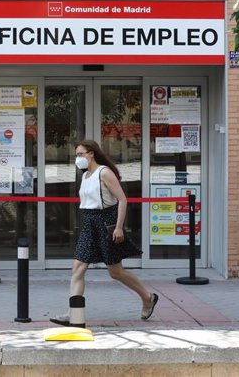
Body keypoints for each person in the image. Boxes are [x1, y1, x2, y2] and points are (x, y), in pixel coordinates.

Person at [50, 139, 159, 326]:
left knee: (115, 272)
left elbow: (122, 200)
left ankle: (148, 297)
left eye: (80, 154)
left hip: (105, 222)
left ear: (91, 153)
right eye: (76, 155)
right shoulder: (85, 176)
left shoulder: (104, 173)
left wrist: (118, 227)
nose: (78, 158)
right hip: (88, 223)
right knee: (77, 268)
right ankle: (72, 313)